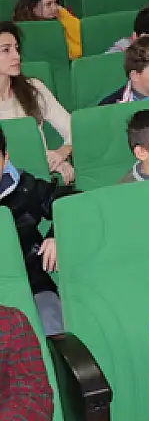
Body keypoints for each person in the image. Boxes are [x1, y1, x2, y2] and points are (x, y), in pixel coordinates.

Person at [0, 125, 75, 334]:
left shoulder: (25, 188)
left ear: (5, 157)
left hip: (33, 285)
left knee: (53, 329)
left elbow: (73, 202)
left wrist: (56, 235)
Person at [0, 24, 72, 177]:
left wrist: (61, 154)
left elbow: (73, 128)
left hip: (37, 181)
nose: (16, 56)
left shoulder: (33, 89)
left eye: (16, 49)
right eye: (6, 50)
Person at [11, 0, 81, 61]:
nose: (55, 8)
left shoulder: (60, 17)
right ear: (32, 6)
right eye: (48, 4)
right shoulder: (18, 30)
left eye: (55, 2)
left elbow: (81, 42)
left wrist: (65, 15)